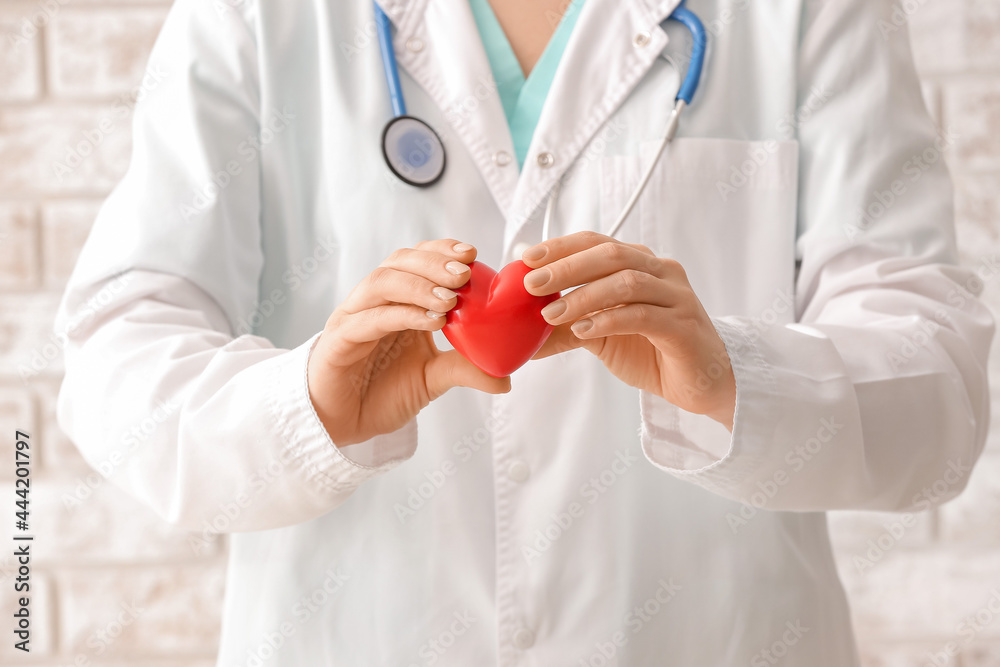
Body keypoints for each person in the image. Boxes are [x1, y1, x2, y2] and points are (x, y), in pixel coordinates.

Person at [55, 0, 994, 663]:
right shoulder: (256, 15)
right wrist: (308, 404)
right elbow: (117, 351)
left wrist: (735, 377)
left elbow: (939, 382)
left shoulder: (808, 12)